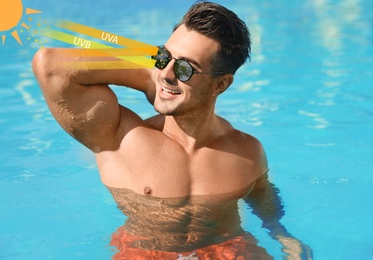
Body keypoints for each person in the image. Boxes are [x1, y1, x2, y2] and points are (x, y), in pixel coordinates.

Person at [33, 1, 312, 259]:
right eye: (163, 57)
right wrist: (153, 78)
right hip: (145, 249)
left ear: (220, 85)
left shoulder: (246, 151)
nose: (167, 72)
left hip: (226, 248)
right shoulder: (119, 138)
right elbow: (50, 65)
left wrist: (281, 234)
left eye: (185, 69)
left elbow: (262, 194)